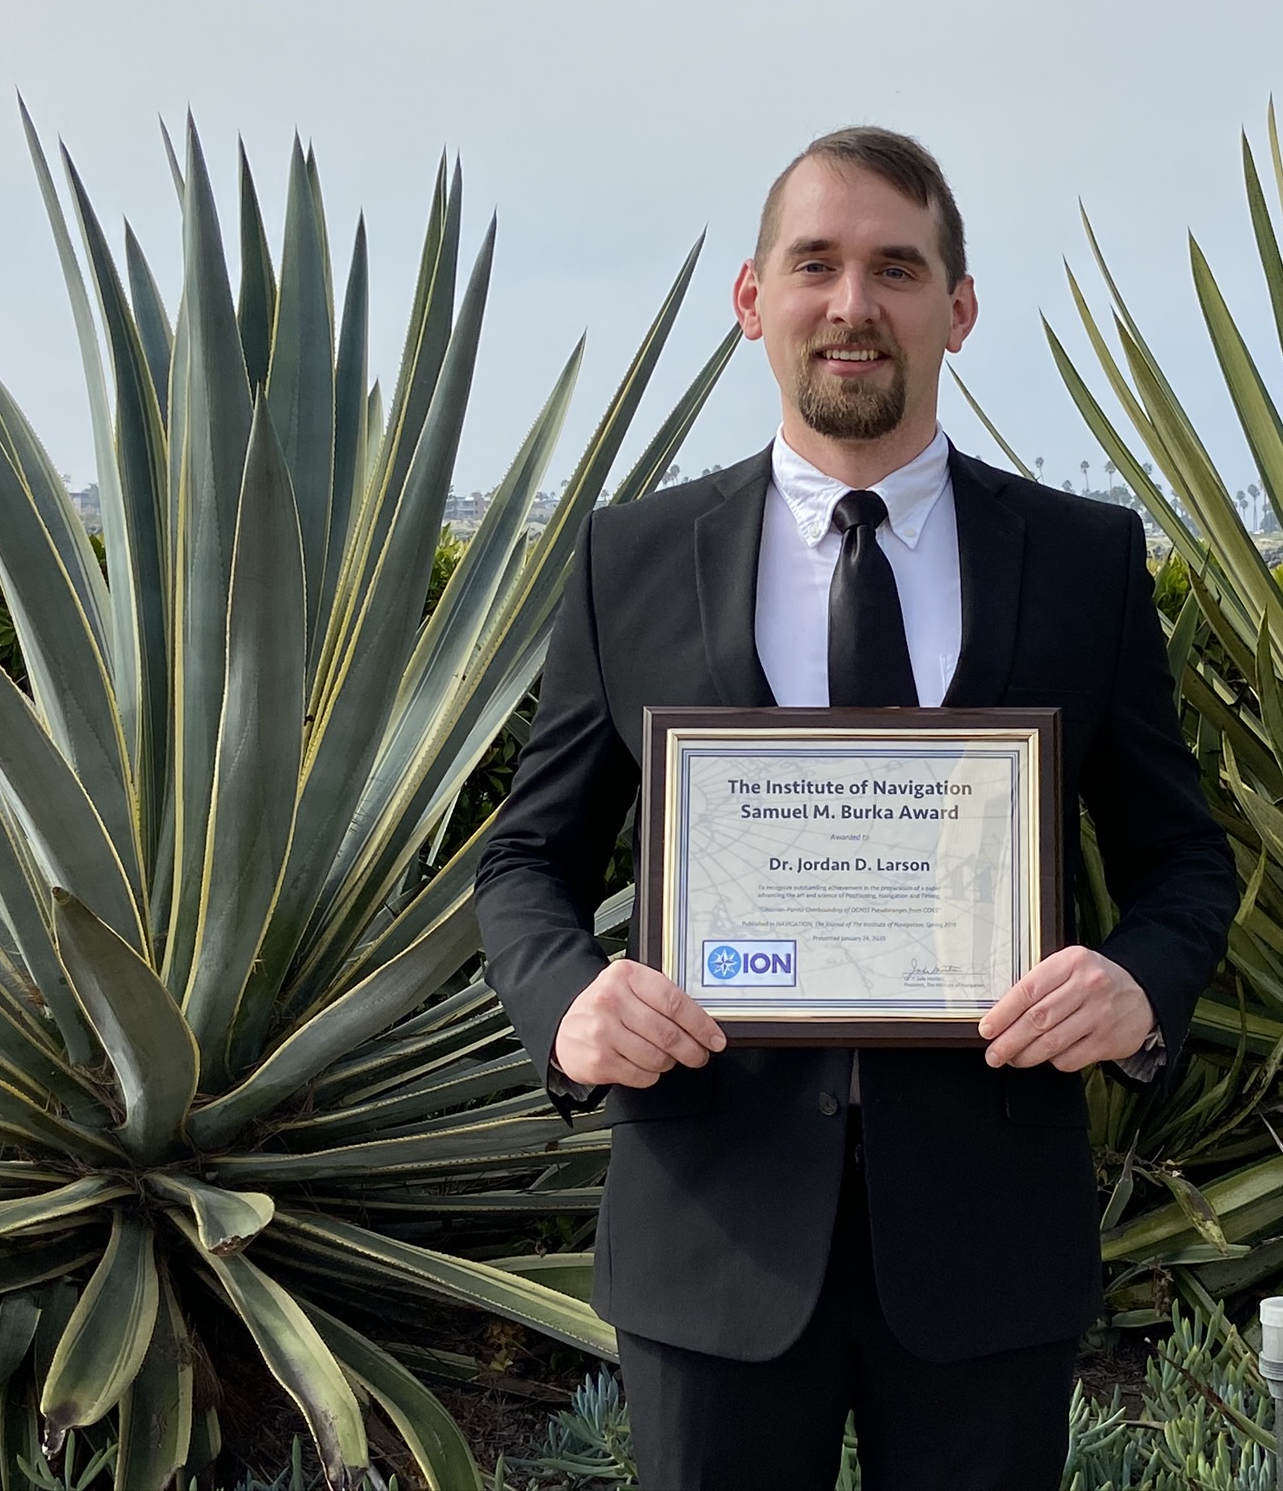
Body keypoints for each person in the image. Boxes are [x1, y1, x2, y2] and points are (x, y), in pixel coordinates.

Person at [475, 127, 1238, 1491]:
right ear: (752, 302)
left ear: (959, 309)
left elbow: (1181, 855)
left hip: (987, 1241)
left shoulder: (1082, 561)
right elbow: (529, 853)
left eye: (896, 267)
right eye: (815, 264)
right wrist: (570, 1004)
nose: (853, 303)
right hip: (712, 1232)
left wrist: (1136, 987)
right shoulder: (630, 559)